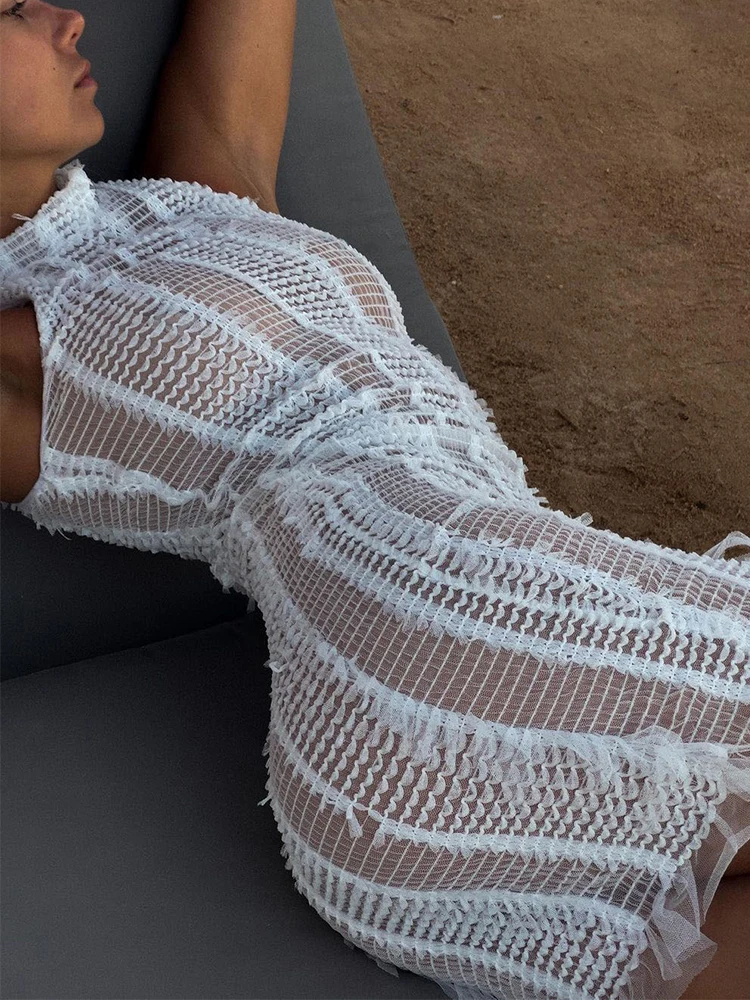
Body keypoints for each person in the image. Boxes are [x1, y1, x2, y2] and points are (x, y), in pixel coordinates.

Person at [1, 3, 749, 999]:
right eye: (10, 13)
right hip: (437, 625)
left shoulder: (191, 194)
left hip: (435, 684)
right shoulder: (13, 362)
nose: (66, 18)